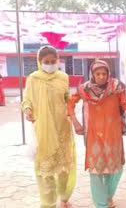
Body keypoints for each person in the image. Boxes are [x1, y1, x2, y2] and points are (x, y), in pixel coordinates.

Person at [68, 60, 126, 208]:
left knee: (116, 169)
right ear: (92, 74)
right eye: (98, 74)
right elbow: (70, 103)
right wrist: (75, 121)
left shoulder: (117, 87)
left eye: (104, 73)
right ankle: (101, 204)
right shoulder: (85, 89)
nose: (101, 76)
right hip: (94, 135)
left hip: (112, 134)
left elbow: (124, 103)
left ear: (109, 74)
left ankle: (108, 195)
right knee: (96, 171)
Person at [22, 46, 76, 208]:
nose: (50, 64)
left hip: (62, 127)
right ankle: (48, 203)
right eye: (46, 62)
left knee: (64, 169)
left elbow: (66, 97)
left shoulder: (63, 77)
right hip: (43, 130)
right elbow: (27, 100)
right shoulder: (33, 79)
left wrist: (72, 100)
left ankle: (64, 197)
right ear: (40, 62)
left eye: (53, 61)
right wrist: (27, 109)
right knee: (46, 171)